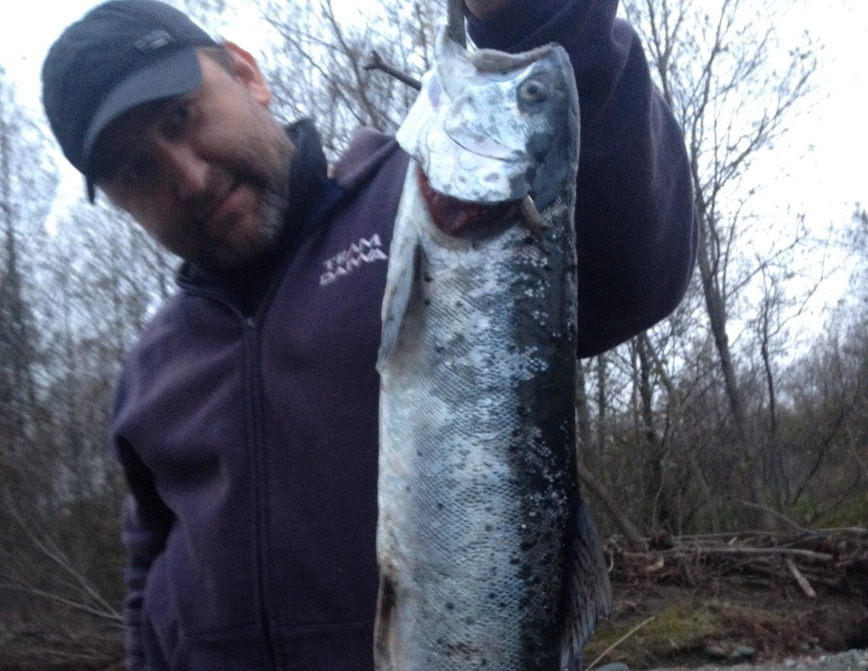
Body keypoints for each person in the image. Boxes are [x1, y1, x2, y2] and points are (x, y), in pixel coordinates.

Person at [41, 0, 696, 669]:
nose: (191, 176)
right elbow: (147, 571)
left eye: (181, 115)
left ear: (245, 73)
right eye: (136, 170)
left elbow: (634, 271)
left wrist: (532, 18)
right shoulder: (151, 369)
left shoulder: (434, 207)